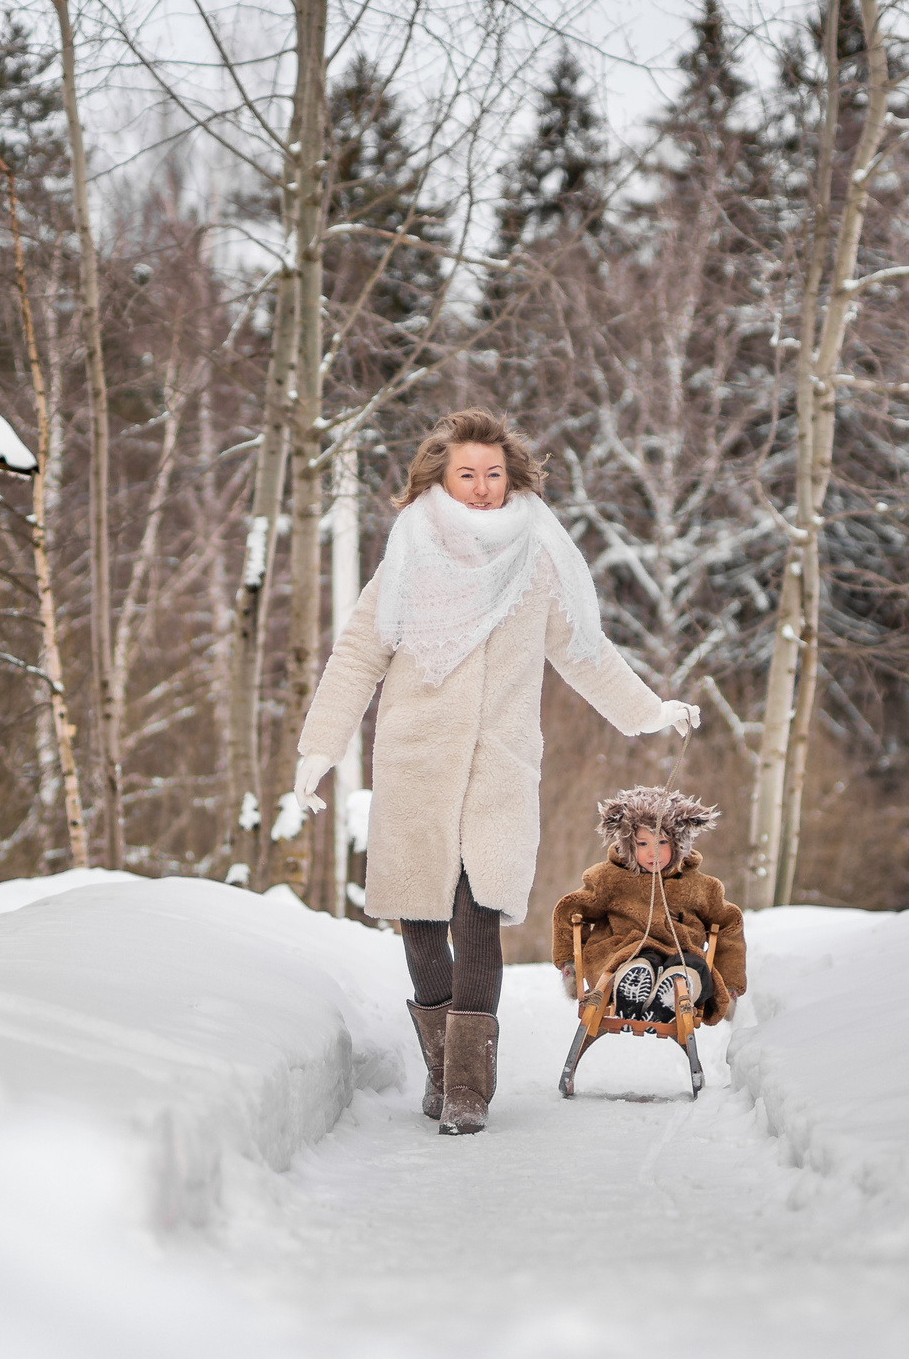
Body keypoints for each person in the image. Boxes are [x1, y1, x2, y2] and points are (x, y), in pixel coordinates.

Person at [293, 409, 696, 1135]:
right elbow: (357, 655)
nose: (481, 488)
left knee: (478, 915)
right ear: (440, 480)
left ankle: (467, 1090)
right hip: (416, 765)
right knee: (421, 924)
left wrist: (647, 710)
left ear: (513, 479)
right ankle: (442, 1068)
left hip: (500, 769)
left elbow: (584, 651)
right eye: (466, 474)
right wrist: (318, 748)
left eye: (494, 474)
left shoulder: (535, 562)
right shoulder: (409, 558)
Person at [550, 787, 745, 1028]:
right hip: (625, 954)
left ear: (679, 842)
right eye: (642, 843)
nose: (653, 852)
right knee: (641, 960)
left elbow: (729, 923)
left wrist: (730, 983)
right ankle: (631, 987)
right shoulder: (610, 878)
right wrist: (570, 964)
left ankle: (677, 991)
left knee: (695, 966)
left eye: (662, 842)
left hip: (682, 955)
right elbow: (569, 909)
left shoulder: (700, 886)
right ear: (627, 843)